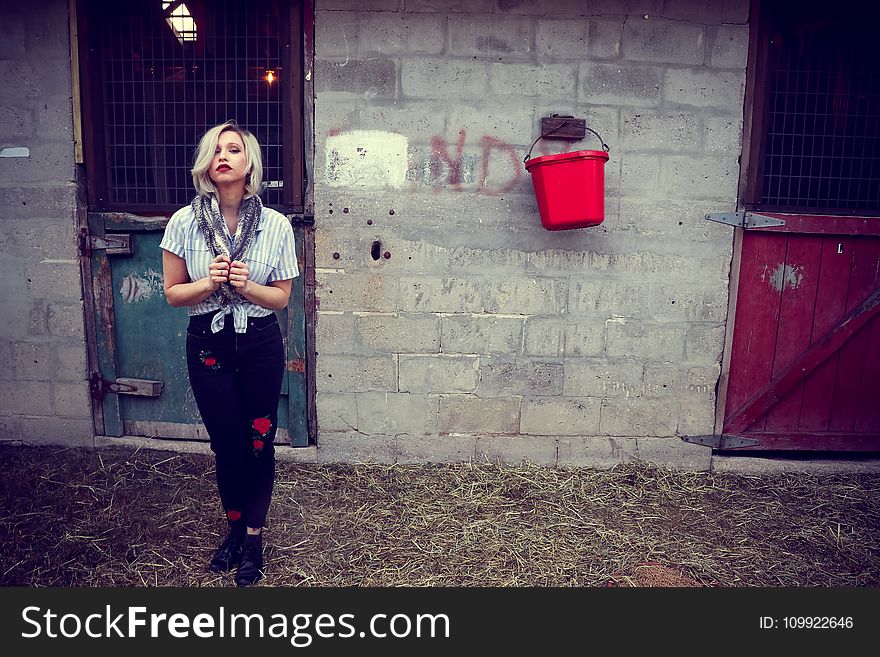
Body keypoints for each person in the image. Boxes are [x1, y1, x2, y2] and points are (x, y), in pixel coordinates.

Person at [160, 120, 299, 586]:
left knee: (259, 444)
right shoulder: (183, 222)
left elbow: (281, 299)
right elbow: (174, 294)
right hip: (208, 343)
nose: (224, 156)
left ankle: (254, 542)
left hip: (259, 342)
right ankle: (234, 531)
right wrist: (210, 282)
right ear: (207, 164)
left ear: (248, 165)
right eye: (216, 150)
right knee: (227, 446)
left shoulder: (276, 226)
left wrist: (248, 287)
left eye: (234, 149)